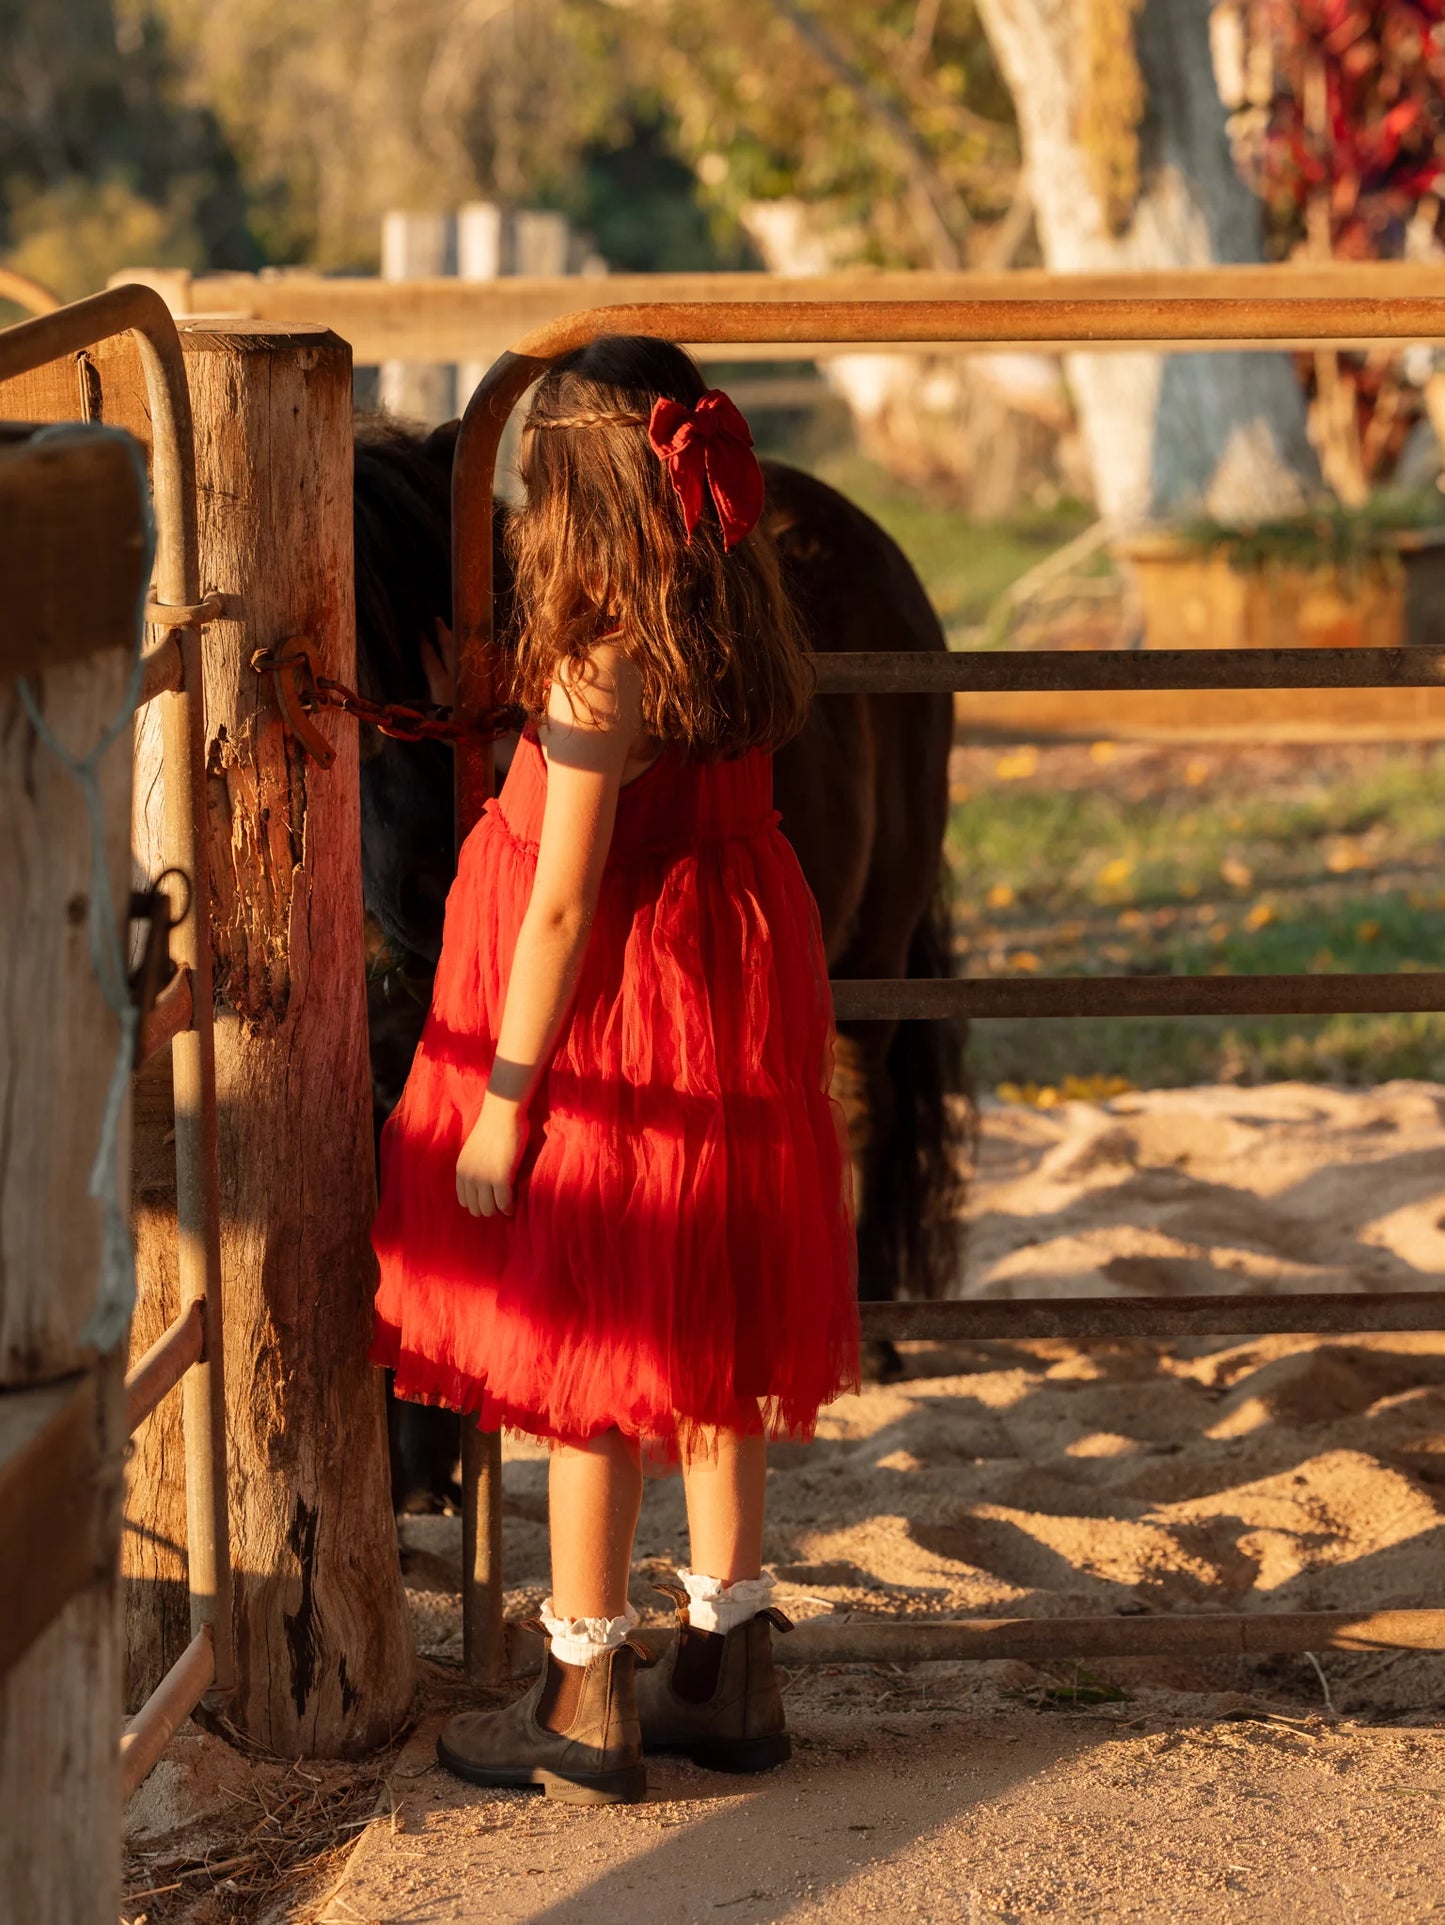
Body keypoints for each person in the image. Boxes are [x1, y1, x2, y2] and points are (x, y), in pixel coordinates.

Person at [370, 334, 859, 1805]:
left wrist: (501, 1100)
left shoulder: (597, 657)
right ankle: (729, 1658)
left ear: (565, 495)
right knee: (706, 1339)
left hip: (605, 1018)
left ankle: (583, 1686)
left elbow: (565, 898)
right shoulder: (732, 604)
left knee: (589, 1352)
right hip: (723, 997)